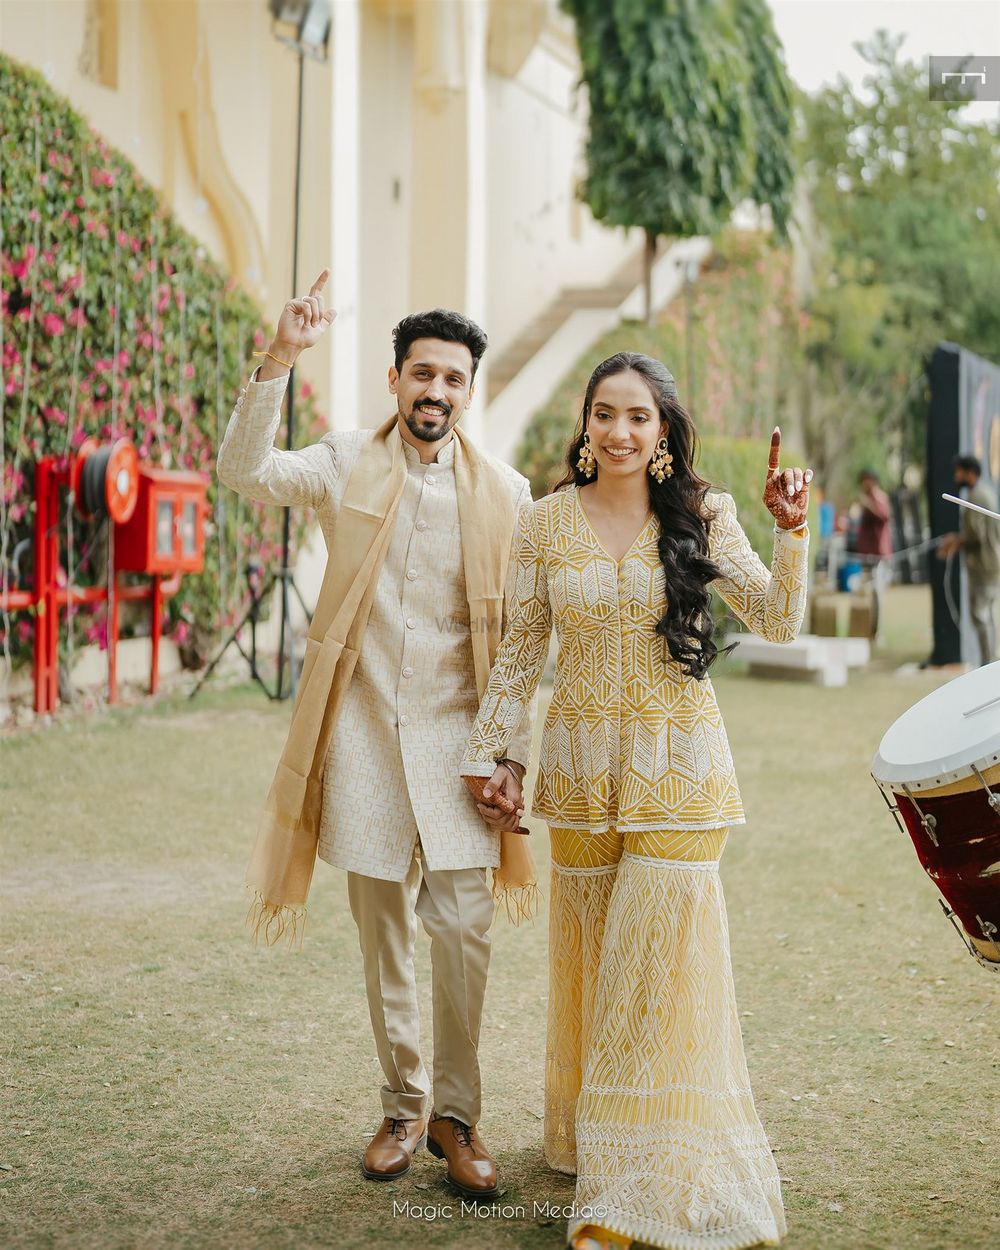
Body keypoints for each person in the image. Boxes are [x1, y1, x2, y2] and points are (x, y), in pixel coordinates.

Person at [460, 352, 812, 1250]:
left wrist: (792, 533)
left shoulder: (702, 514)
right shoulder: (542, 525)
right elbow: (518, 650)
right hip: (580, 779)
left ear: (663, 434)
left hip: (681, 773)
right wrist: (493, 755)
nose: (619, 432)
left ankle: (637, 1180)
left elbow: (778, 620)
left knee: (652, 976)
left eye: (639, 418)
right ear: (585, 423)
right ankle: (590, 1141)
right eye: (604, 414)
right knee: (591, 963)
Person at [216, 271, 538, 1199]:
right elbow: (246, 470)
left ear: (468, 393)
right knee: (384, 933)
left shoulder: (506, 493)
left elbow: (521, 637)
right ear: (394, 378)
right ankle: (402, 1107)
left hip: (460, 744)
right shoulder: (344, 459)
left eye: (454, 380)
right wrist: (280, 356)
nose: (437, 392)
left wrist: (507, 750)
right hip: (360, 734)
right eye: (422, 374)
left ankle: (457, 1116)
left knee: (465, 929)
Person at [938, 455, 1000, 666]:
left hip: (984, 566)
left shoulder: (977, 496)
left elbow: (976, 534)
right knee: (987, 615)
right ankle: (990, 662)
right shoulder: (986, 492)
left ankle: (987, 665)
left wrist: (954, 541)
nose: (956, 476)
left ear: (970, 473)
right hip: (990, 565)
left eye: (959, 471)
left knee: (981, 615)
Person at [855, 469, 893, 638]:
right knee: (868, 594)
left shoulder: (879, 498)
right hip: (868, 554)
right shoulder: (868, 499)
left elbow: (883, 517)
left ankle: (877, 632)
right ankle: (868, 629)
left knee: (878, 594)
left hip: (879, 555)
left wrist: (867, 506)